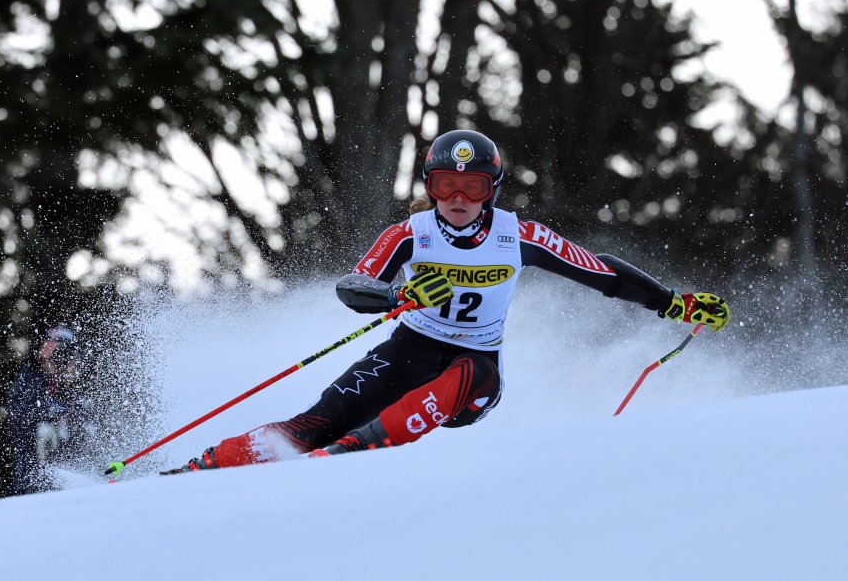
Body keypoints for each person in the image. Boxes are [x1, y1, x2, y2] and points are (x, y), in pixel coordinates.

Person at [163, 129, 730, 474]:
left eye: (474, 188)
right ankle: (198, 469)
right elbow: (354, 287)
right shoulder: (410, 233)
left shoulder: (517, 236)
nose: (458, 200)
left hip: (475, 371)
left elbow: (601, 272)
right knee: (319, 420)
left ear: (493, 191)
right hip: (409, 347)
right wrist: (400, 293)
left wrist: (671, 303)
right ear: (430, 187)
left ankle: (341, 461)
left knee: (442, 385)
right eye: (445, 187)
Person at [7, 325, 92, 494]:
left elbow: (87, 431)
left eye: (65, 354)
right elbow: (20, 418)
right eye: (48, 350)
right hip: (33, 483)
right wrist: (53, 415)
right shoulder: (32, 377)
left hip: (74, 483)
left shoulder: (76, 389)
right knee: (44, 432)